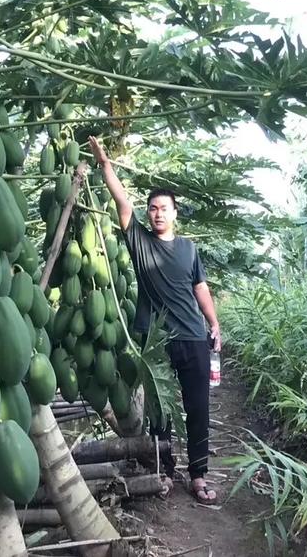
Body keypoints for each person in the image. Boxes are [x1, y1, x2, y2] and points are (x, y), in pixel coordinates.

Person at [88, 136, 221, 505]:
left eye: (164, 208)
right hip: (155, 340)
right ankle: (163, 469)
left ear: (175, 213)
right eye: (153, 208)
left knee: (197, 408)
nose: (157, 213)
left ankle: (198, 476)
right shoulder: (139, 241)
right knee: (160, 410)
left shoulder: (189, 249)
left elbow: (201, 288)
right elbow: (121, 201)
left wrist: (214, 323)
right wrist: (105, 165)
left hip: (193, 336)